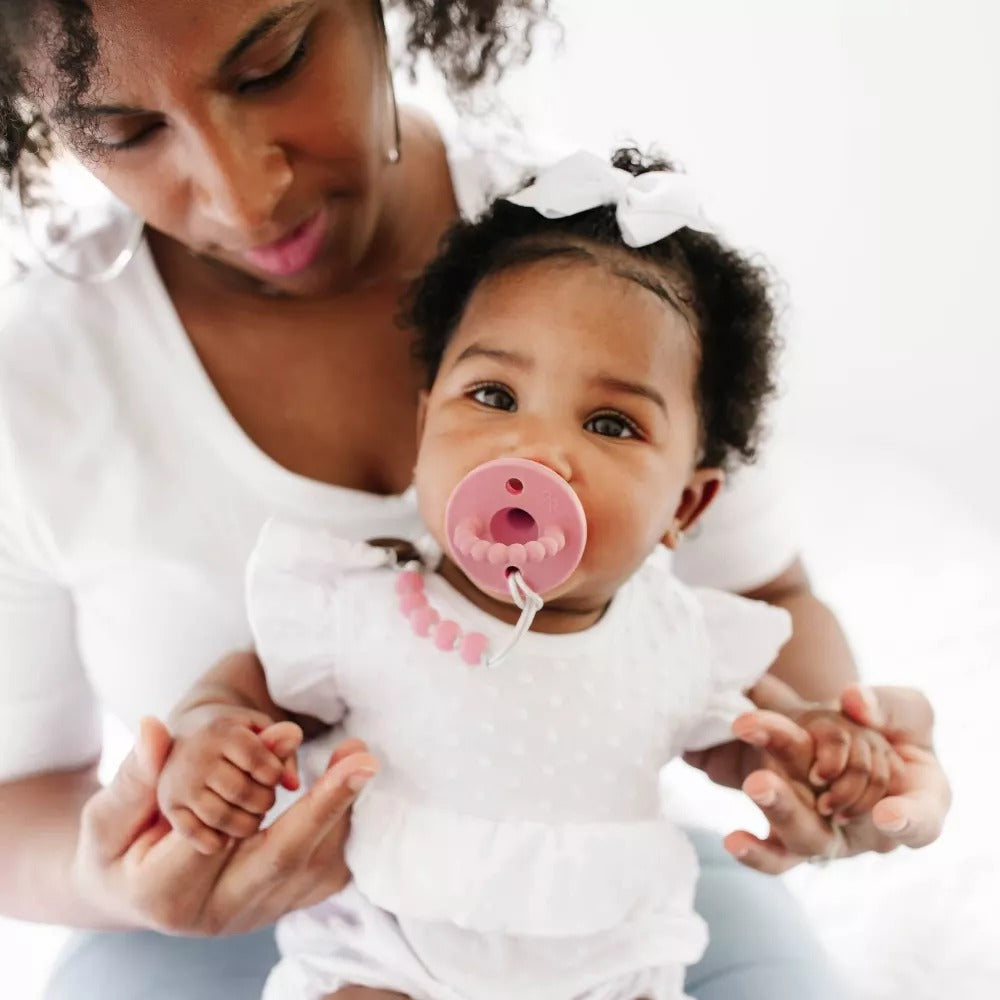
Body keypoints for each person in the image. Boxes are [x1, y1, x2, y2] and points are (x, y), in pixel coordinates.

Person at [0, 3, 950, 999]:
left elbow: (769, 643)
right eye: (124, 131)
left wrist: (839, 759)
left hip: (597, 910)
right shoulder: (44, 387)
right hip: (288, 929)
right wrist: (134, 843)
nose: (244, 197)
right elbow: (100, 759)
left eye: (272, 65)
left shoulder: (617, 253)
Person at [157, 148, 905, 1000]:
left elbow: (758, 742)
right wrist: (211, 735)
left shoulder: (678, 638)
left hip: (606, 964)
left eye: (611, 423)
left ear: (686, 507)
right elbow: (249, 691)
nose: (537, 450)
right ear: (424, 429)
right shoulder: (367, 605)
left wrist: (822, 747)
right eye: (494, 397)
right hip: (390, 949)